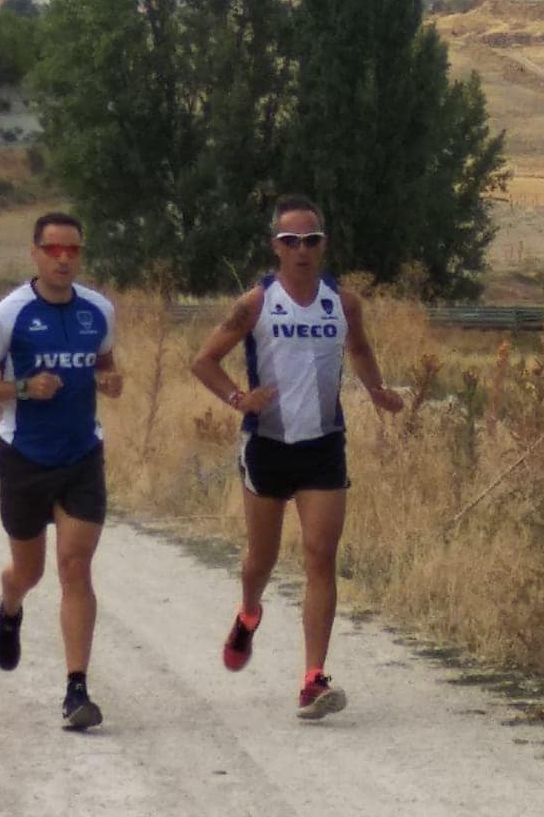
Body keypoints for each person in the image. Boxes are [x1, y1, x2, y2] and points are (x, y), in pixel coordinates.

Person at [190, 194, 405, 720]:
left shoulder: (343, 302)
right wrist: (240, 398)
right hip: (266, 444)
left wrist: (376, 390)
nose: (302, 250)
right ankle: (248, 613)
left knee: (319, 554)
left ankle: (313, 678)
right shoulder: (257, 302)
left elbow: (358, 349)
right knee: (260, 560)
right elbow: (203, 361)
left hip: (323, 445)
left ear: (324, 244)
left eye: (311, 240)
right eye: (291, 241)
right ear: (276, 247)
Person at [0, 212, 122, 730]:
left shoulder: (98, 310)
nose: (63, 259)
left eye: (72, 250)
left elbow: (103, 363)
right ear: (35, 252)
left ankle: (76, 690)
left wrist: (111, 378)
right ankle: (10, 606)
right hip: (25, 455)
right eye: (53, 249)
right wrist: (24, 389)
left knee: (75, 567)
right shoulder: (8, 315)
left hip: (81, 455)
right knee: (28, 571)